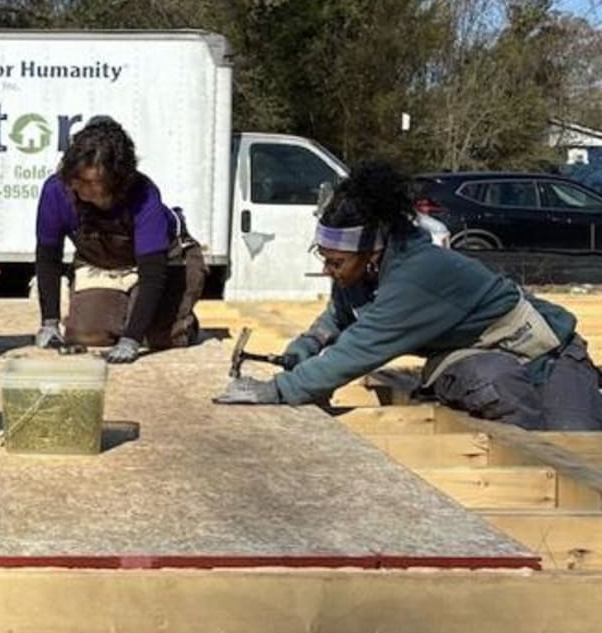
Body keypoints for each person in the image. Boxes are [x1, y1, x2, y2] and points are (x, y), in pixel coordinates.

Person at [216, 161, 602, 431]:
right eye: (325, 259)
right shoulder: (365, 270)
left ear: (372, 254)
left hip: (550, 354)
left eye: (336, 262)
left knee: (572, 448)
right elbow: (340, 317)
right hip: (477, 359)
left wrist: (282, 389)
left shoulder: (419, 276)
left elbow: (361, 347)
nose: (328, 270)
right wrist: (305, 346)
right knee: (495, 383)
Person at [33, 117, 207, 364]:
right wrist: (49, 323)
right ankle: (123, 314)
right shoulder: (56, 190)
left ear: (117, 180)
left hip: (162, 261)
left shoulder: (145, 195)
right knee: (86, 334)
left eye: (91, 184)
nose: (80, 189)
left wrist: (131, 340)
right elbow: (48, 257)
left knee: (158, 337)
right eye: (76, 180)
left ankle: (179, 318)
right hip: (103, 264)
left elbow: (153, 276)